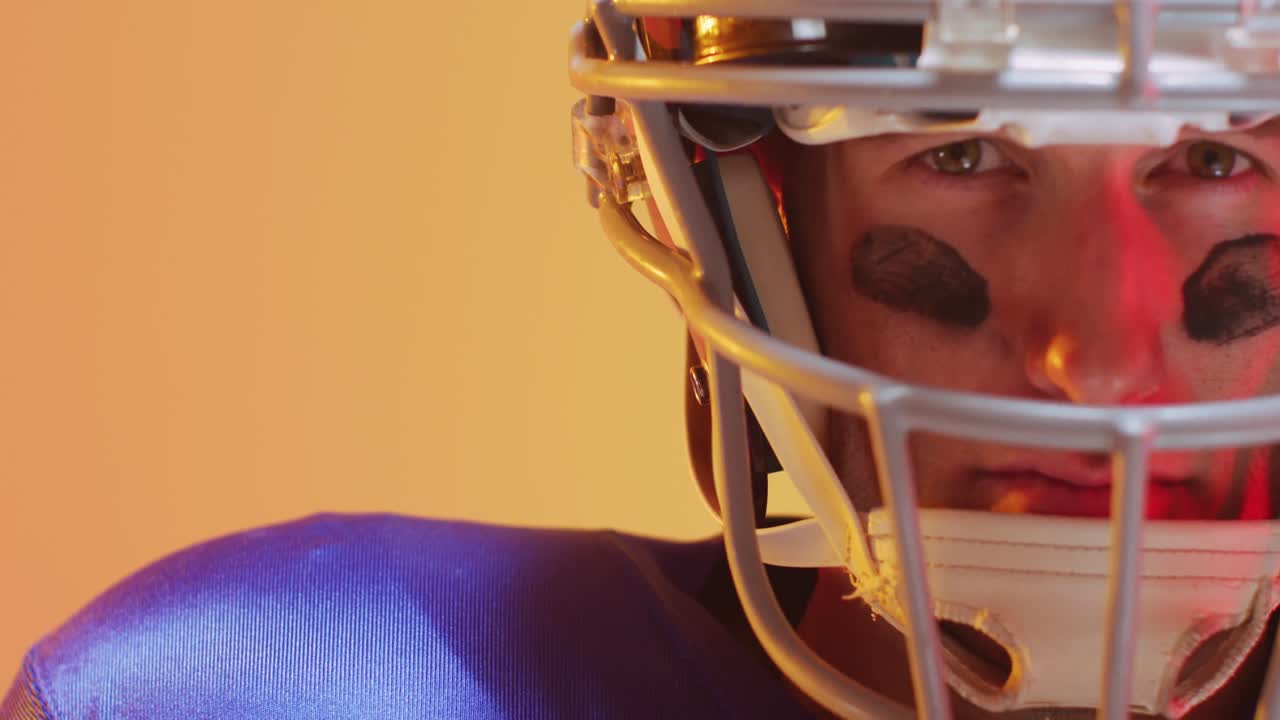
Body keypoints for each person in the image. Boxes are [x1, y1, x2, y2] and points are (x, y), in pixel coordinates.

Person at [8, 3, 1280, 718]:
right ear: (758, 213)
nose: (1099, 366)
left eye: (1215, 163)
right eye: (955, 158)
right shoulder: (293, 685)